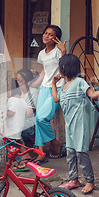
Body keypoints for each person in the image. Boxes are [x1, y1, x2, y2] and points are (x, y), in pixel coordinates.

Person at [52, 54, 99, 194]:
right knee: (70, 152)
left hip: (80, 124)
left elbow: (93, 94)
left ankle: (90, 181)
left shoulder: (79, 82)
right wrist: (53, 84)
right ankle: (74, 179)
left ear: (64, 67)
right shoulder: (63, 86)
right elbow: (55, 99)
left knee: (81, 153)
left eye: (60, 66)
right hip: (69, 125)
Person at [30, 25, 67, 164]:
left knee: (41, 118)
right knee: (38, 120)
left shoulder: (58, 51)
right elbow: (45, 71)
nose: (46, 36)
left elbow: (65, 68)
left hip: (57, 87)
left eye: (50, 34)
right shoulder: (41, 54)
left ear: (56, 38)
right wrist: (35, 83)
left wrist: (64, 52)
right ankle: (41, 153)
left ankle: (55, 142)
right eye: (45, 33)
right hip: (44, 88)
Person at [13, 69, 39, 170]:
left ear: (28, 82)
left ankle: (25, 156)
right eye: (17, 81)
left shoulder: (33, 93)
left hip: (31, 124)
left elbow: (28, 114)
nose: (18, 84)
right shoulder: (17, 93)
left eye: (21, 81)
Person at [6, 87, 30, 172]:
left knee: (9, 147)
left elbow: (11, 113)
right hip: (19, 129)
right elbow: (26, 113)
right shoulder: (22, 101)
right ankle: (19, 162)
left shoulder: (11, 100)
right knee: (15, 147)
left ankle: (18, 163)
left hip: (11, 129)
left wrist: (2, 112)